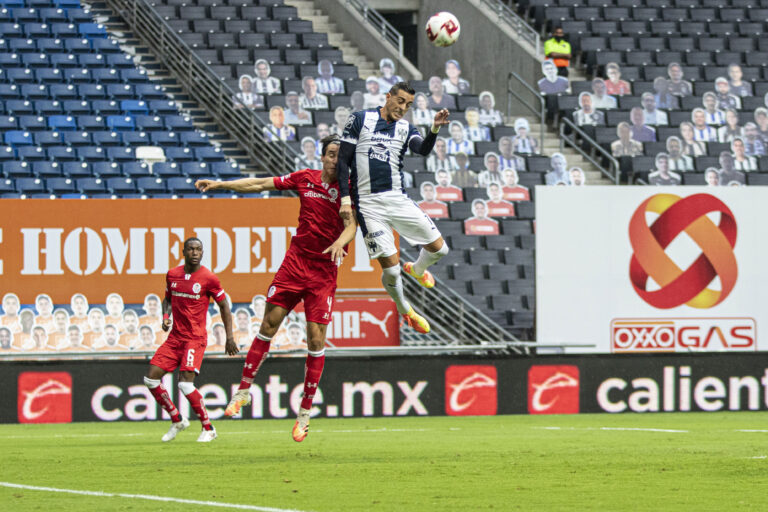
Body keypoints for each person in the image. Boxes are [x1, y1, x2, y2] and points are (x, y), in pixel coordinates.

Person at [197, 136, 359, 442]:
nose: (336, 161)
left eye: (341, 156)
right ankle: (243, 391)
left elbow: (352, 224)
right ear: (322, 157)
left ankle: (305, 414)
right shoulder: (304, 179)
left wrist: (341, 241)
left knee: (315, 338)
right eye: (332, 155)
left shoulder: (349, 192)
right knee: (268, 325)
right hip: (295, 265)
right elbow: (259, 184)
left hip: (323, 273)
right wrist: (220, 185)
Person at [337, 82, 451, 335]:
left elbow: (422, 149)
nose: (403, 108)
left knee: (441, 249)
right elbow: (343, 160)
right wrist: (346, 200)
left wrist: (434, 129)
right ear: (388, 97)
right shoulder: (360, 119)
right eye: (399, 101)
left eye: (408, 105)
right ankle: (406, 310)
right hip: (367, 203)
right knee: (390, 268)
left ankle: (418, 269)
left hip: (397, 198)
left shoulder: (405, 128)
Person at [143, 237, 236, 444]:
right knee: (150, 379)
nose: (195, 252)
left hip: (194, 338)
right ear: (183, 252)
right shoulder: (172, 274)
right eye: (191, 249)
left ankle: (208, 428)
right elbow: (167, 299)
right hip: (175, 337)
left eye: (199, 249)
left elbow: (224, 306)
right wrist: (165, 317)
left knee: (185, 385)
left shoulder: (209, 278)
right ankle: (177, 419)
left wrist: (229, 337)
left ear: (202, 253)